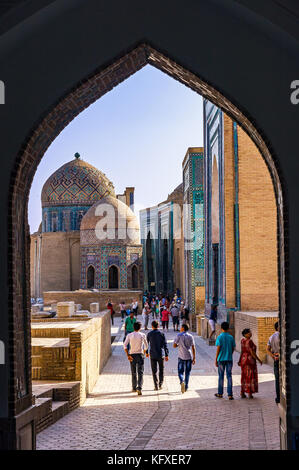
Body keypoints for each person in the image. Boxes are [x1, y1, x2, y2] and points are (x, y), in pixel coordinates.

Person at [124, 322, 148, 395]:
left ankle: (134, 387)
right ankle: (139, 387)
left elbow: (125, 345)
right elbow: (146, 346)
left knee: (133, 372)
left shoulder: (129, 335)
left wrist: (128, 355)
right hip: (140, 355)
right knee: (140, 372)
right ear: (140, 328)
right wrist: (143, 352)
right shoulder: (142, 335)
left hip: (132, 355)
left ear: (133, 327)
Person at [238, 328, 262, 398]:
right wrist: (258, 359)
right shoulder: (250, 341)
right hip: (249, 361)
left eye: (250, 332)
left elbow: (242, 351)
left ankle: (242, 392)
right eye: (249, 333)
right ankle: (249, 393)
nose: (250, 333)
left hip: (243, 360)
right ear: (245, 334)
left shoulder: (242, 341)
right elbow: (252, 352)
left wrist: (240, 360)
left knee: (244, 376)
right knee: (250, 376)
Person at [215, 321, 236, 400]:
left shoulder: (220, 337)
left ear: (221, 328)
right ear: (228, 328)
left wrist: (216, 359)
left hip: (221, 359)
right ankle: (230, 394)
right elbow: (233, 347)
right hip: (229, 359)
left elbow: (218, 348)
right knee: (229, 376)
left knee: (221, 376)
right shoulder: (231, 337)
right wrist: (230, 353)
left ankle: (220, 393)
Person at [146, 320, 169, 390]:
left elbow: (146, 345)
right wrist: (166, 354)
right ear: (158, 326)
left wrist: (146, 353)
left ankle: (155, 385)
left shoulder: (149, 334)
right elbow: (165, 345)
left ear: (152, 326)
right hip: (160, 354)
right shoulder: (161, 334)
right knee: (161, 370)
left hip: (152, 354)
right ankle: (160, 384)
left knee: (154, 371)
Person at [173, 324, 196, 393]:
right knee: (187, 372)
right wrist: (194, 358)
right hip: (189, 356)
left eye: (181, 327)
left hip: (181, 356)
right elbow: (193, 347)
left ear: (183, 328)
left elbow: (174, 345)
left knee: (180, 371)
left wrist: (178, 345)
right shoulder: (191, 336)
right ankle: (186, 387)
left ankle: (182, 381)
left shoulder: (179, 335)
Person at [267, 321, 280, 404]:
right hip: (283, 360)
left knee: (277, 379)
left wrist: (273, 356)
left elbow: (267, 349)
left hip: (276, 360)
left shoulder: (271, 337)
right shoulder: (282, 336)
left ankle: (278, 397)